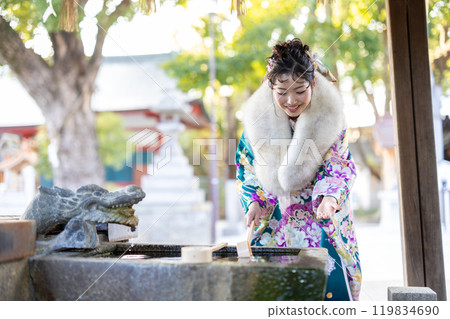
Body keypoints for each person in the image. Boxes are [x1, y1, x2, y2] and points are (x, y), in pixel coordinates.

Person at [235, 38, 361, 301]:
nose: (291, 100)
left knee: (323, 288)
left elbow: (338, 165)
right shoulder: (257, 122)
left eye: (300, 90)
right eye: (281, 92)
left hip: (320, 212)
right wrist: (254, 202)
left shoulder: (332, 117)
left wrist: (330, 198)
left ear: (313, 84)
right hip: (276, 214)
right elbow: (247, 166)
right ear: (271, 88)